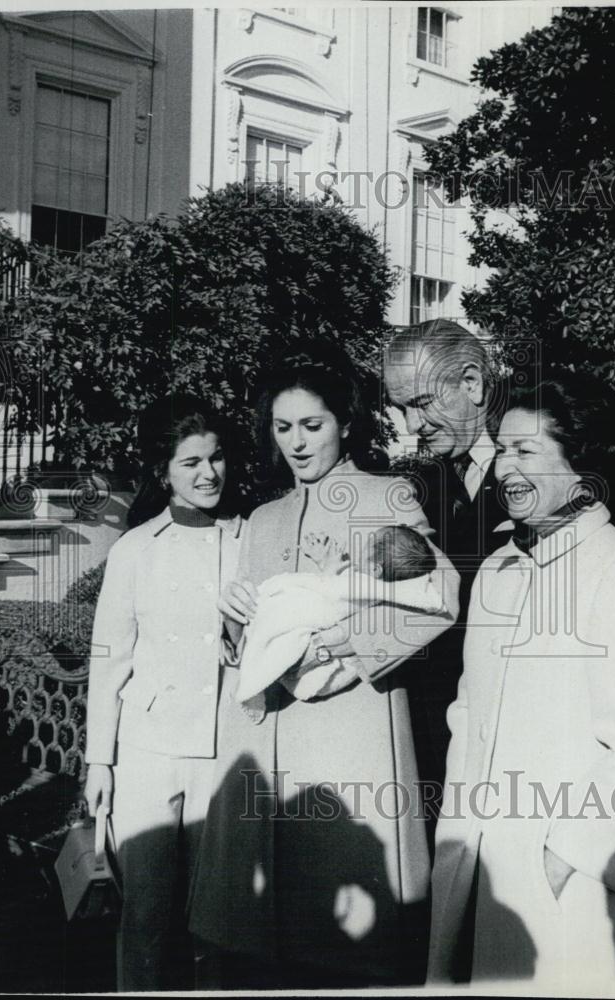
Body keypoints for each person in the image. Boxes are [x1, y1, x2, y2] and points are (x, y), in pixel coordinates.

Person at [187, 344, 460, 988]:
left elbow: (437, 596)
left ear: (344, 422)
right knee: (262, 938)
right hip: (265, 740)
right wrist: (229, 618)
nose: (298, 443)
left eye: (313, 426)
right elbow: (244, 641)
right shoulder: (262, 518)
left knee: (345, 937)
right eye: (284, 428)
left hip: (350, 730)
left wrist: (342, 641)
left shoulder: (387, 496)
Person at [383, 320, 615, 823]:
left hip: (547, 767)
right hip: (451, 751)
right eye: (400, 407)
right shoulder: (425, 487)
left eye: (421, 403)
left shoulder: (557, 457)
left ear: (471, 383)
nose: (409, 424)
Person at [428, 374, 615, 987]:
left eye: (527, 451)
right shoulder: (496, 570)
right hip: (484, 862)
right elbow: (468, 717)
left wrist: (561, 861)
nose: (506, 468)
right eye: (501, 450)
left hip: (572, 887)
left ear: (581, 467)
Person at [82, 394, 243, 991]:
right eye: (192, 462)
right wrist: (100, 761)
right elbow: (109, 662)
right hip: (147, 753)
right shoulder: (133, 551)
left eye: (217, 458)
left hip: (224, 750)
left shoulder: (246, 538)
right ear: (163, 471)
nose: (209, 474)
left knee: (215, 922)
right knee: (144, 913)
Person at [235, 526, 445, 702]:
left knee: (279, 615)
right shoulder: (378, 586)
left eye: (367, 547)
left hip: (348, 693)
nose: (360, 550)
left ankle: (255, 673)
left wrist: (324, 645)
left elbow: (330, 591)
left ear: (375, 570)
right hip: (308, 671)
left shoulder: (368, 585)